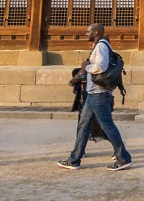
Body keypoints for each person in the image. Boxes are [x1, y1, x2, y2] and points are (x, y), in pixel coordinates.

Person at [57, 23, 133, 171]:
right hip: (93, 93)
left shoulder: (101, 46)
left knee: (107, 126)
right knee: (84, 125)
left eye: (88, 31)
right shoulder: (100, 45)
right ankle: (74, 159)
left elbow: (101, 67)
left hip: (99, 93)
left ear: (96, 32)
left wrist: (86, 67)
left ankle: (124, 158)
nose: (86, 34)